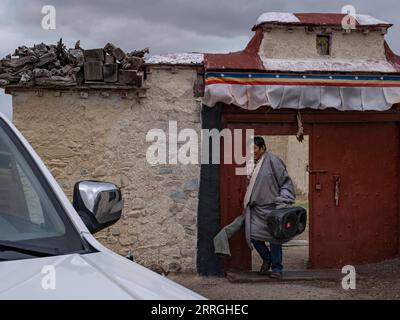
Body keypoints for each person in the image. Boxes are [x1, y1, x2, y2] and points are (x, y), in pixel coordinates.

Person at [245, 136, 296, 279]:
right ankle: (267, 258)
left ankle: (277, 268)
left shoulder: (274, 161)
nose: (252, 151)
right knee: (253, 235)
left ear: (262, 148)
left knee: (275, 238)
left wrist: (283, 200)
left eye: (254, 148)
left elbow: (285, 182)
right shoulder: (251, 164)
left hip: (273, 208)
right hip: (256, 210)